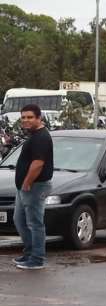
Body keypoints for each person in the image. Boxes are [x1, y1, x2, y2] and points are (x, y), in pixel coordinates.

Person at [12, 104, 53, 270]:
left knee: (35, 223)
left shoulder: (41, 137)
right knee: (19, 220)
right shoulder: (34, 135)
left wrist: (27, 182)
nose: (26, 120)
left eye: (30, 117)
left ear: (38, 118)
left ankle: (37, 259)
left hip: (35, 186)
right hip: (25, 187)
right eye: (23, 117)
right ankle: (29, 253)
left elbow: (38, 163)